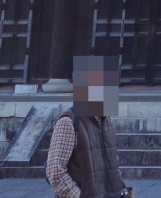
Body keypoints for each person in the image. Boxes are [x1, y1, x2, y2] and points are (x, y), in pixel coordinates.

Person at [46, 55, 132, 198]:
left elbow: (111, 167)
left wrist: (122, 190)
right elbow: (55, 172)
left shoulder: (106, 121)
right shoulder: (69, 122)